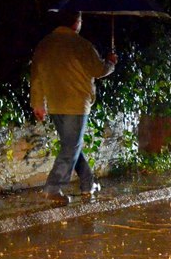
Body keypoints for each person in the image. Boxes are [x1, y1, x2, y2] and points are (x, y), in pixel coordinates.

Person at [30, 12, 118, 204]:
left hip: (54, 103)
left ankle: (88, 183)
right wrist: (110, 62)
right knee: (71, 146)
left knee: (71, 145)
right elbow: (98, 70)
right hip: (75, 104)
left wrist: (38, 102)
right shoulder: (81, 45)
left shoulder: (44, 44)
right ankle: (52, 188)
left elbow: (36, 75)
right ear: (76, 22)